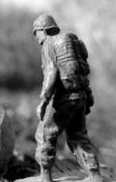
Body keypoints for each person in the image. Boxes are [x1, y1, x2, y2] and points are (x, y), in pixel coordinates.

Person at [33, 14, 103, 182]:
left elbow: (51, 72)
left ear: (43, 30)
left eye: (36, 33)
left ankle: (45, 176)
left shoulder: (49, 44)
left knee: (44, 134)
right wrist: (88, 97)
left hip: (63, 98)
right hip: (80, 96)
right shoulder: (73, 44)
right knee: (79, 136)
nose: (36, 38)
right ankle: (95, 175)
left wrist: (44, 99)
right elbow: (83, 71)